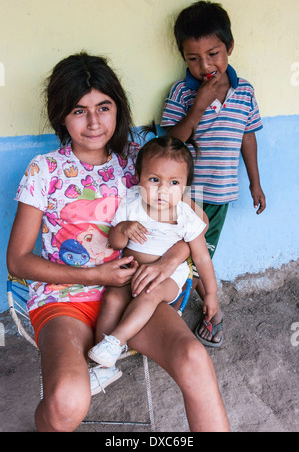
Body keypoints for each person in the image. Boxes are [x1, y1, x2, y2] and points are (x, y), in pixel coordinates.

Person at [7, 52, 229, 432]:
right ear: (61, 113)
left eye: (103, 107)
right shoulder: (44, 170)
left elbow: (196, 222)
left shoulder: (139, 161)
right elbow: (18, 262)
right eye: (79, 110)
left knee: (194, 358)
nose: (94, 122)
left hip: (133, 293)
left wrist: (166, 262)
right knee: (65, 401)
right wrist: (96, 275)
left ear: (118, 108)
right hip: (65, 299)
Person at [161, 0, 266, 347]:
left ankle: (212, 311)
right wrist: (199, 105)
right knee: (183, 254)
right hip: (183, 196)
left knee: (197, 255)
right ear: (183, 56)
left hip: (219, 197)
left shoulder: (245, 91)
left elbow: (247, 138)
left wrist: (255, 183)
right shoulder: (181, 92)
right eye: (193, 58)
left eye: (213, 54)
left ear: (229, 48)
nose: (204, 65)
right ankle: (191, 306)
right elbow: (169, 144)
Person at [88, 131, 220, 367]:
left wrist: (211, 293)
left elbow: (202, 258)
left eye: (174, 183)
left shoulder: (186, 217)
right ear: (138, 178)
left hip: (169, 277)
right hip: (130, 272)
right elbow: (115, 243)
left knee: (150, 294)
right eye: (154, 180)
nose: (162, 190)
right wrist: (123, 229)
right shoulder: (131, 204)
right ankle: (102, 361)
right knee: (112, 300)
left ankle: (116, 341)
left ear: (185, 187)